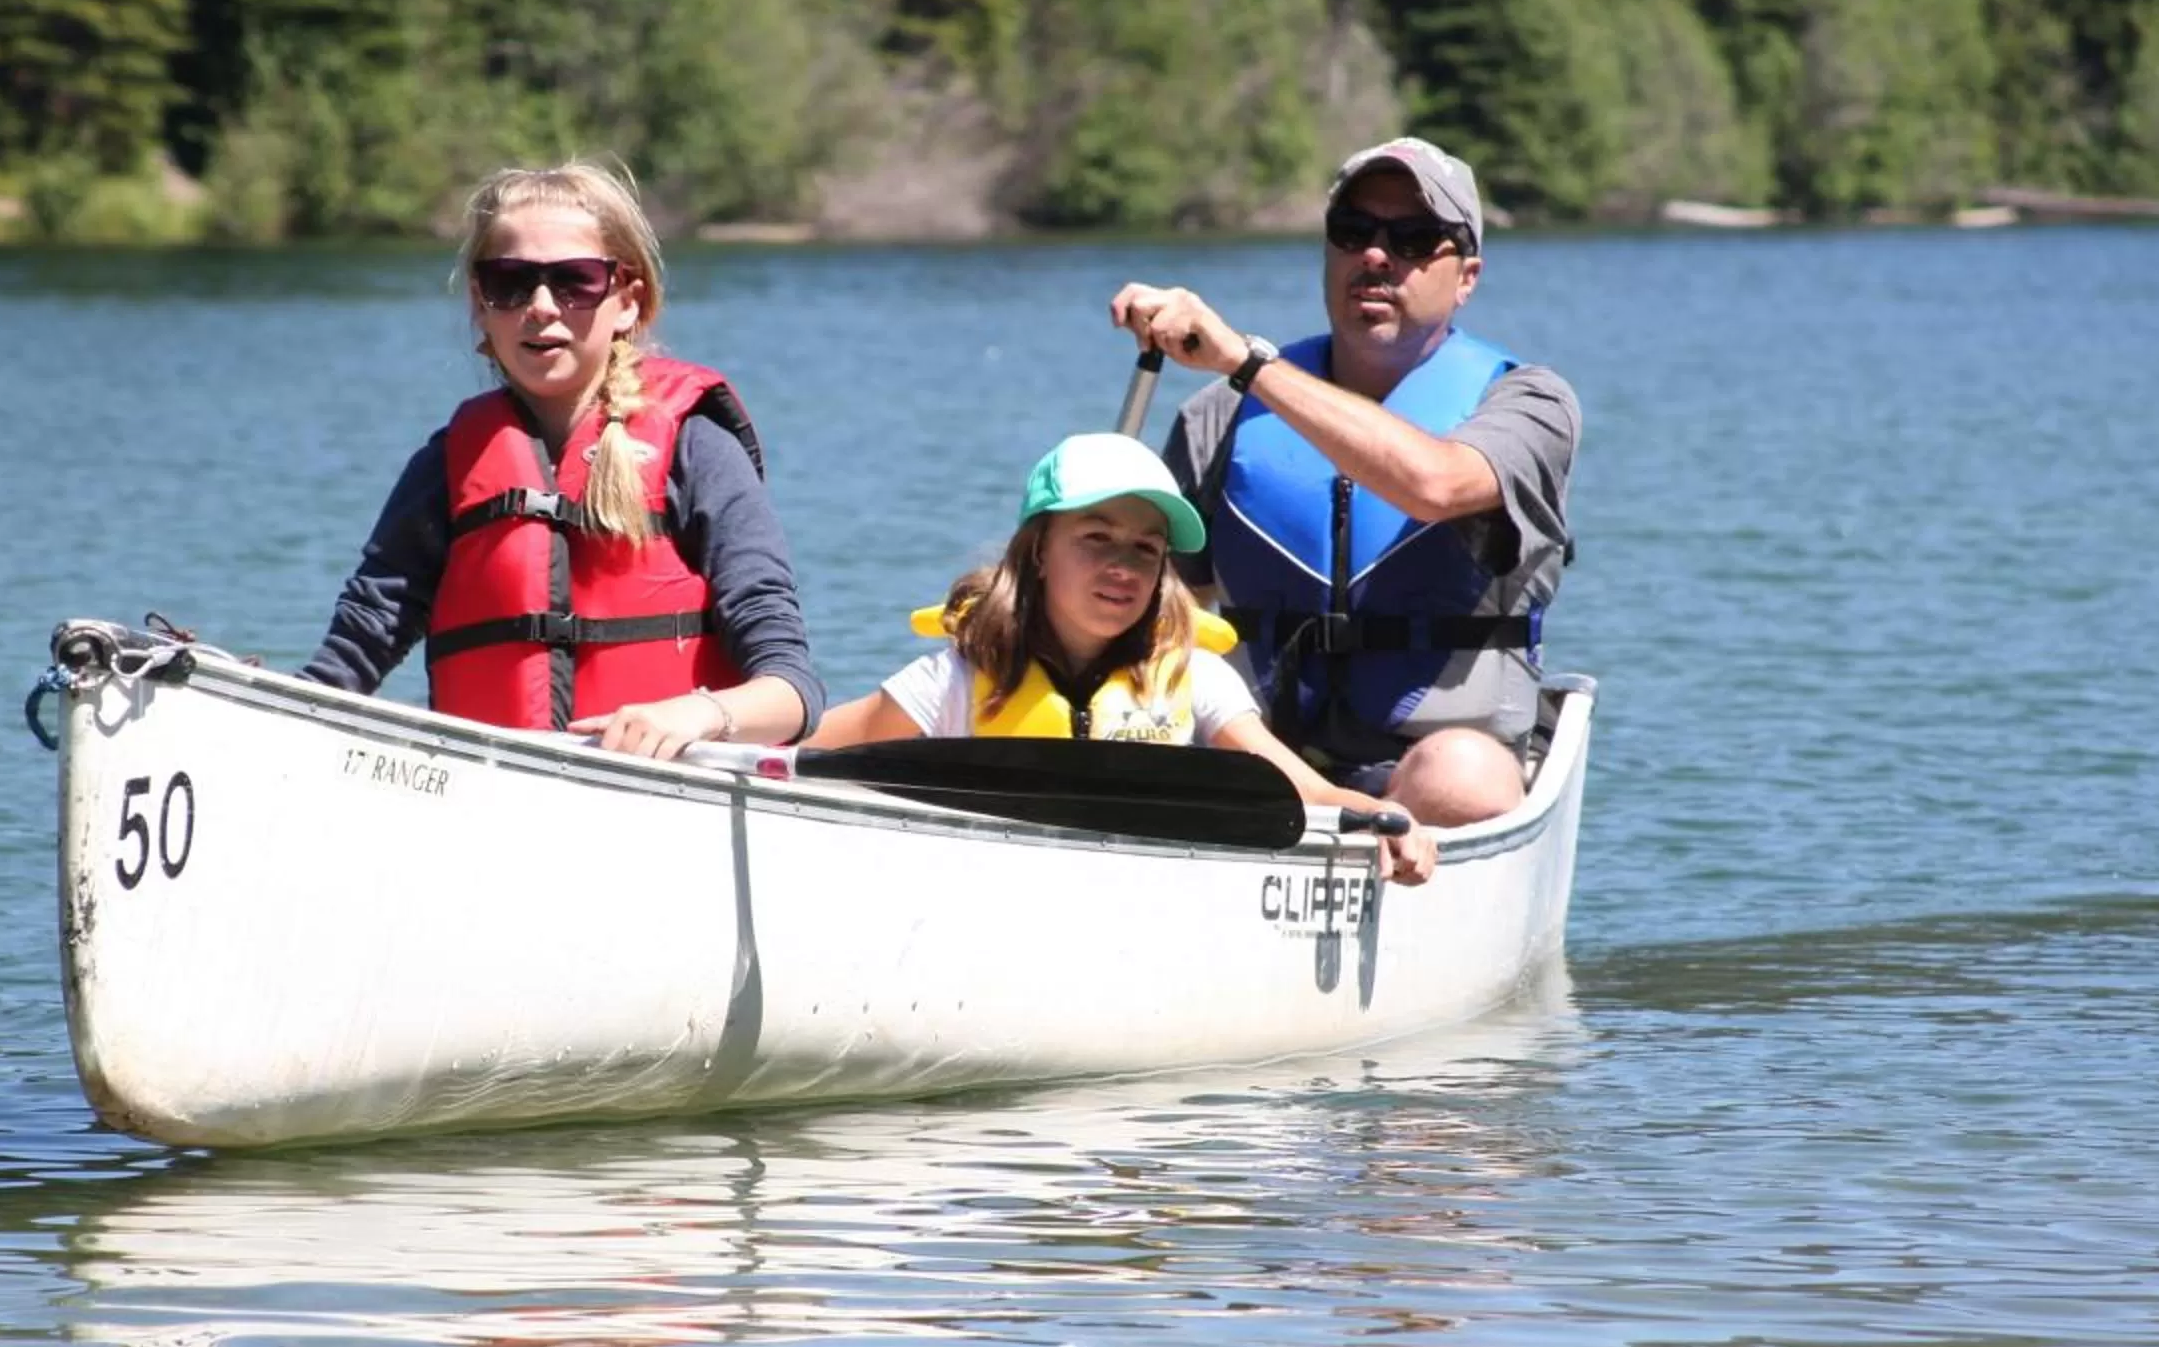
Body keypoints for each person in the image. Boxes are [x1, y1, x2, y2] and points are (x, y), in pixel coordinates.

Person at [1108, 137, 1576, 825]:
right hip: (1261, 753)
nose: (1377, 257)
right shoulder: (1220, 415)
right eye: (1353, 232)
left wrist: (1245, 361)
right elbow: (1158, 599)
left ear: (1467, 275)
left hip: (1431, 763)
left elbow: (1435, 485)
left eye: (1415, 239)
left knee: (1462, 779)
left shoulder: (1529, 404)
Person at [303, 160, 822, 758]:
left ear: (629, 300)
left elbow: (794, 691)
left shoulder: (696, 447)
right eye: (510, 282)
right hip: (491, 795)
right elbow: (349, 659)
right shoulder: (447, 466)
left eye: (575, 280)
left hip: (669, 795)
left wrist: (699, 714)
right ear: (480, 301)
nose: (542, 306)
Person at [812, 432, 1438, 885]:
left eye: (1146, 547)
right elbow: (807, 753)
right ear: (1037, 551)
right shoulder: (958, 676)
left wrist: (1379, 813)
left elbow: (1290, 783)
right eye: (1095, 538)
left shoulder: (1195, 676)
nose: (1123, 568)